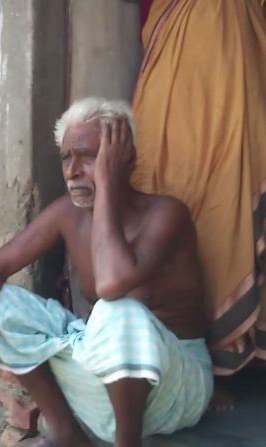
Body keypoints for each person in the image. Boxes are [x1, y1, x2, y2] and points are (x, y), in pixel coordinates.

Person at [0, 98, 212, 447]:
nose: (73, 170)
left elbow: (111, 283)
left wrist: (105, 185)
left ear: (123, 160)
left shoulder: (166, 214)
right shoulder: (66, 214)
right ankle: (66, 433)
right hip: (102, 385)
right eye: (66, 157)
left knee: (117, 307)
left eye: (89, 157)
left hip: (176, 389)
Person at [132, 0, 266, 405]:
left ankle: (229, 356)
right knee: (174, 184)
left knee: (232, 186)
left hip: (235, 46)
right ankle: (190, 358)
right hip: (180, 45)